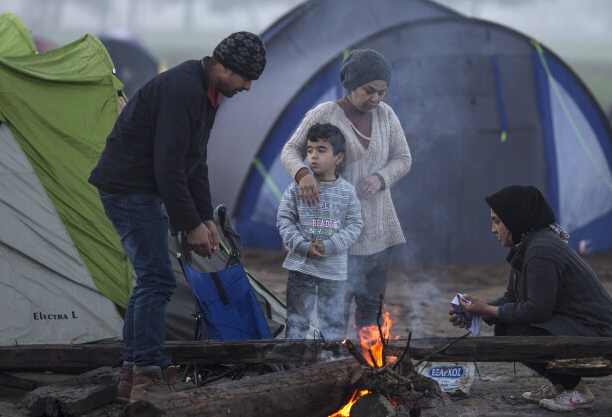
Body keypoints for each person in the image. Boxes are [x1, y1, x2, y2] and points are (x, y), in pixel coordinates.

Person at [89, 31, 266, 402]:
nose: (249, 87)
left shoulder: (208, 93)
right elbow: (167, 164)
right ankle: (147, 374)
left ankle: (132, 373)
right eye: (246, 78)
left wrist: (205, 220)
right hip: (127, 190)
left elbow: (194, 161)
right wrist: (188, 225)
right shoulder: (182, 89)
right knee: (157, 279)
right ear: (222, 66)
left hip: (139, 189)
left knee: (150, 279)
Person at [449, 185, 612, 412]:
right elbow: (512, 298)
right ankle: (560, 385)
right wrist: (474, 310)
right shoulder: (526, 246)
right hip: (581, 329)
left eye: (497, 221)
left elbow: (538, 311)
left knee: (517, 333)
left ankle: (578, 390)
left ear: (515, 218)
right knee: (506, 327)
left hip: (606, 340)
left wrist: (486, 310)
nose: (492, 229)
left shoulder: (541, 249)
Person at [281, 48, 411, 333]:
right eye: (369, 91)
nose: (376, 99)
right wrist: (303, 174)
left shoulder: (386, 116)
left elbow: (403, 159)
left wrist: (379, 178)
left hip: (379, 230)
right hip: (336, 233)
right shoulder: (325, 114)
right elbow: (290, 150)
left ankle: (369, 365)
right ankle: (333, 365)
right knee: (334, 311)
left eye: (382, 92)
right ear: (352, 84)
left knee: (370, 310)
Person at [277, 123, 364, 340]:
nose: (313, 156)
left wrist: (330, 245)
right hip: (301, 267)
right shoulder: (296, 188)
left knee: (333, 324)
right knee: (297, 320)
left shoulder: (347, 192)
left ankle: (328, 365)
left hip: (333, 271)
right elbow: (284, 219)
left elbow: (355, 225)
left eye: (321, 150)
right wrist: (303, 246)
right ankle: (293, 366)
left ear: (338, 157)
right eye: (309, 150)